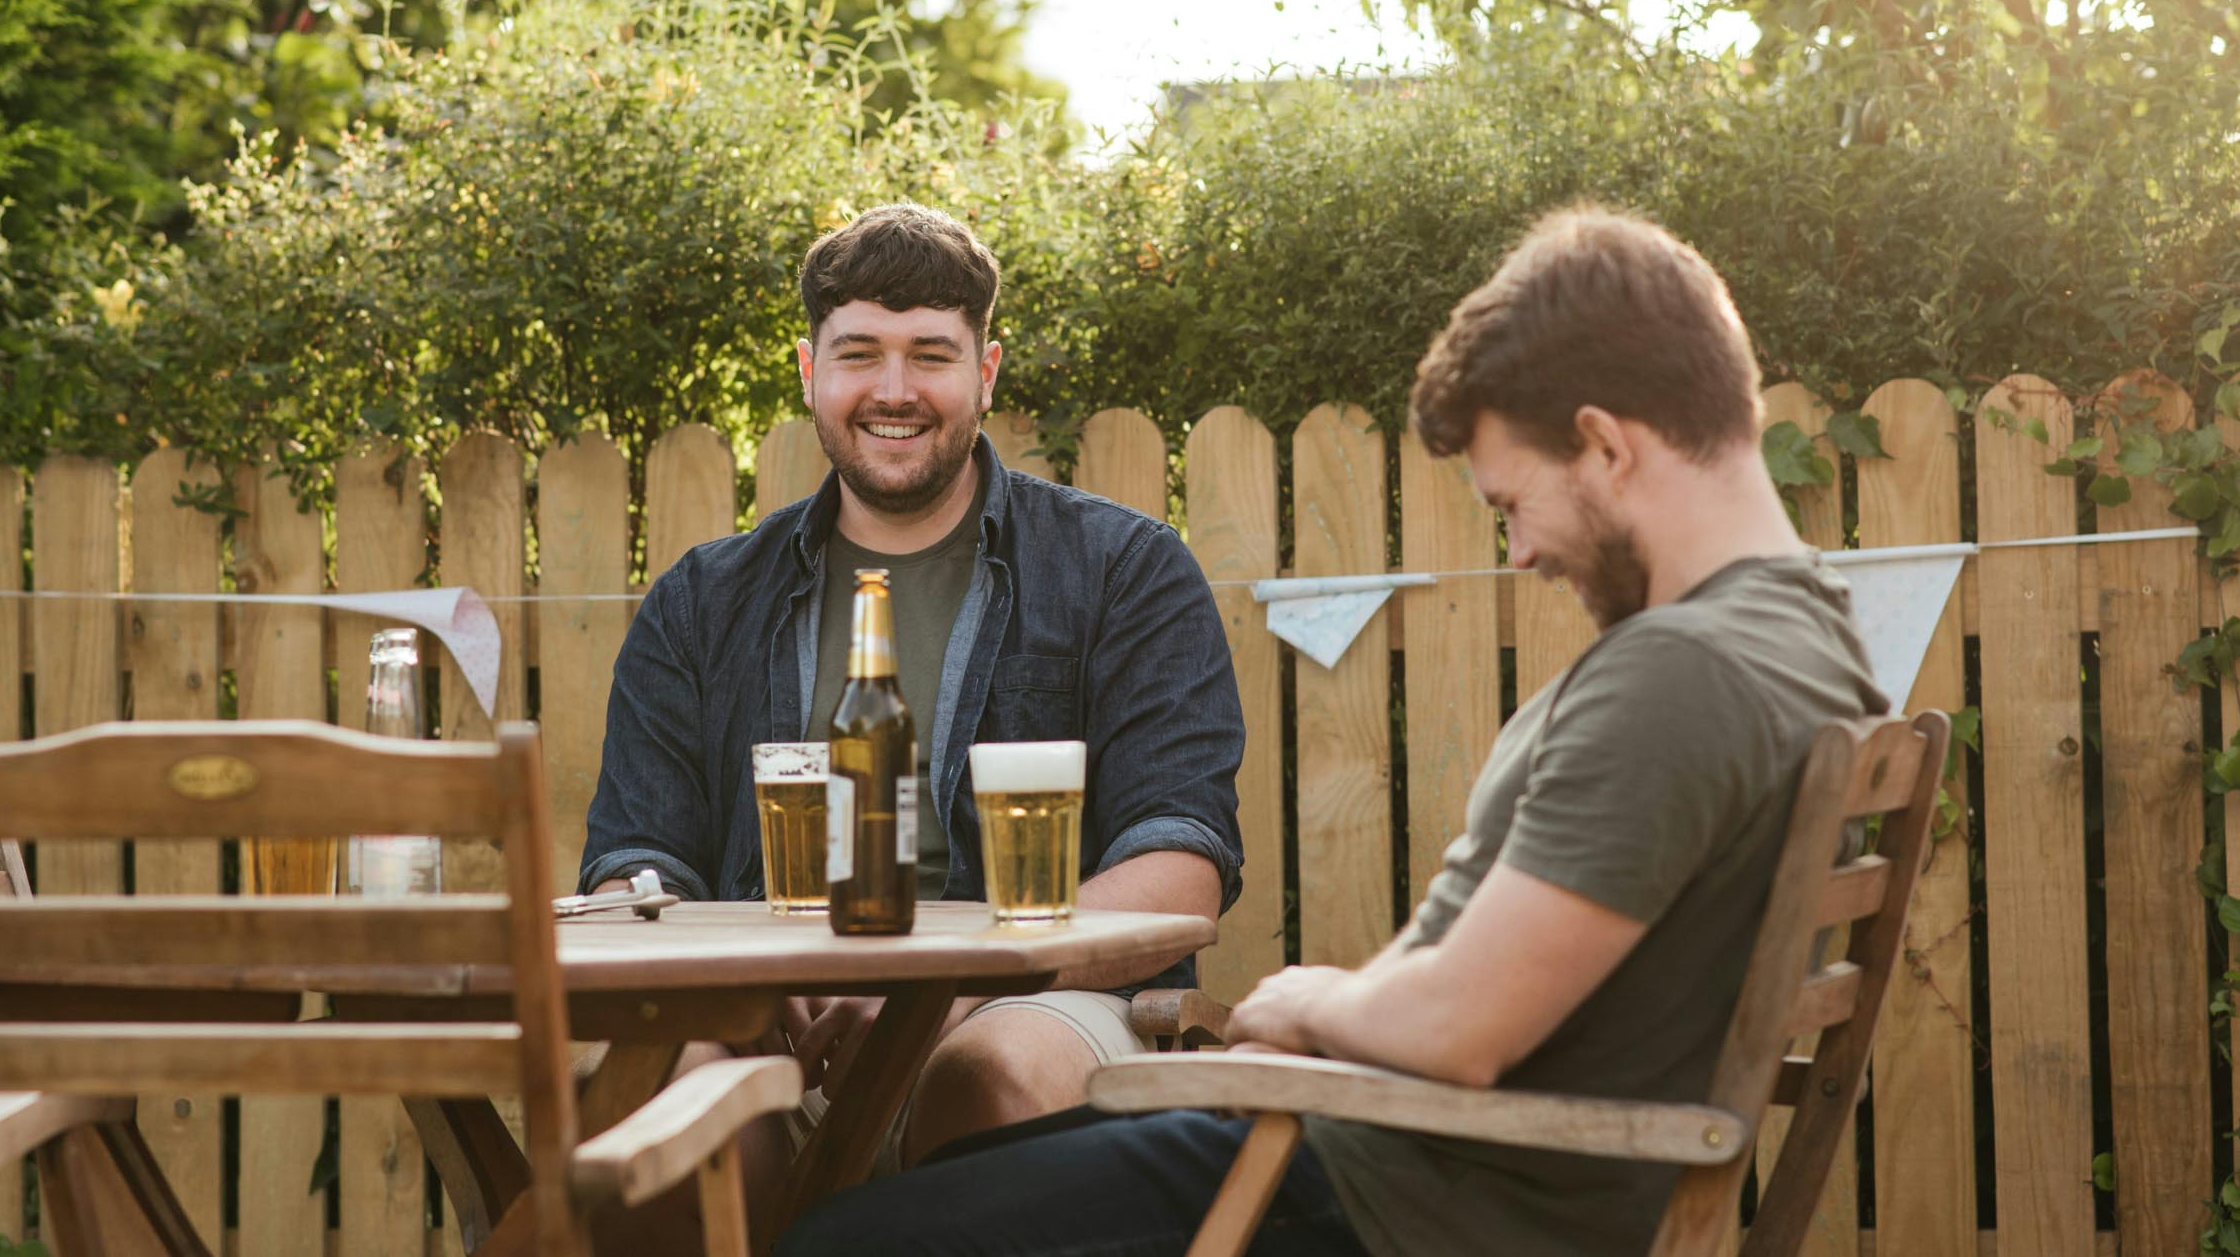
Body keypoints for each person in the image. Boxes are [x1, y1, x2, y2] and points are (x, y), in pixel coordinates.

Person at [777, 206, 1890, 1257]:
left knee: (845, 1241)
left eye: (1510, 503)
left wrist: (1311, 1000)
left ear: (1603, 444)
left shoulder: (1682, 674)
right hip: (1405, 1164)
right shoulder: (1807, 642)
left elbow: (1460, 1025)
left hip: (1397, 1204)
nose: (1520, 554)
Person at [579, 203, 1244, 1191]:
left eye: (930, 354)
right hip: (765, 1024)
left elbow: (1180, 865)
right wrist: (742, 990)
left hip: (1021, 1001)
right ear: (811, 374)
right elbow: (631, 871)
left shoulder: (1122, 571)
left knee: (989, 1078)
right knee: (650, 1097)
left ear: (986, 371)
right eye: (859, 354)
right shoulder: (700, 601)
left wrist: (940, 985)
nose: (893, 390)